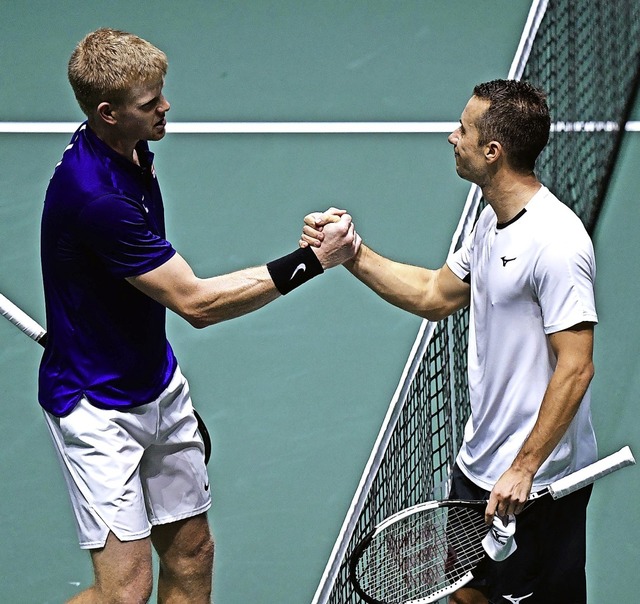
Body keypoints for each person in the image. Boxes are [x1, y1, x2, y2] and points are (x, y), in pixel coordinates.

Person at [39, 28, 359, 604]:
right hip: (96, 406)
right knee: (125, 593)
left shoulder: (128, 150)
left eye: (162, 93)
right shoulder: (97, 198)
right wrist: (311, 262)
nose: (166, 107)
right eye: (149, 103)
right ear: (107, 113)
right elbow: (197, 303)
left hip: (154, 384)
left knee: (191, 555)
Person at [302, 80, 598, 603]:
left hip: (536, 479)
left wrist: (524, 468)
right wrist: (352, 252)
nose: (450, 137)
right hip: (480, 462)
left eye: (463, 128)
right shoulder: (492, 219)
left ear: (493, 151)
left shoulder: (557, 242)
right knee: (467, 594)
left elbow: (575, 368)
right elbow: (436, 293)